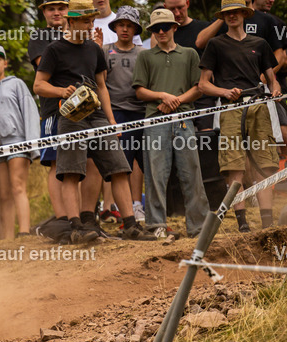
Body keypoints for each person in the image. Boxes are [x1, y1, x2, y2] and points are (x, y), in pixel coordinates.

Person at [34, 0, 150, 243]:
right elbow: (39, 85)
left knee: (119, 168)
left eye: (92, 20)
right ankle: (76, 227)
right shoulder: (54, 49)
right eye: (86, 21)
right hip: (70, 116)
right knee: (71, 172)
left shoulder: (94, 49)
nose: (91, 25)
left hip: (96, 114)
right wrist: (61, 92)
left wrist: (111, 121)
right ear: (72, 21)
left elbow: (101, 87)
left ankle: (131, 225)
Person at [199, 0, 282, 232]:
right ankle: (242, 223)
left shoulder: (260, 43)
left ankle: (268, 223)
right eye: (227, 13)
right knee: (234, 165)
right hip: (230, 108)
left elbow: (271, 78)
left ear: (244, 14)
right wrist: (224, 91)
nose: (232, 16)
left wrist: (275, 89)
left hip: (258, 104)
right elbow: (204, 85)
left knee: (265, 163)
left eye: (236, 12)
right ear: (223, 17)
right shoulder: (215, 44)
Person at [132, 8, 210, 237]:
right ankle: (156, 225)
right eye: (156, 28)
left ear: (175, 27)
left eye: (165, 27)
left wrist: (175, 101)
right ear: (152, 32)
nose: (161, 31)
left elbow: (199, 88)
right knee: (155, 174)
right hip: (155, 120)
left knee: (191, 172)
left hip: (184, 118)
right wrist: (162, 96)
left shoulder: (190, 54)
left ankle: (198, 226)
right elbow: (139, 90)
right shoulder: (145, 56)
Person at [0, 44, 39, 240]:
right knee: (2, 194)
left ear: (5, 63)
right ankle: (8, 239)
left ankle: (25, 232)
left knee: (17, 186)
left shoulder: (17, 84)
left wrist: (33, 145)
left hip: (17, 141)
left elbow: (29, 112)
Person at [29, 0, 72, 226]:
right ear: (44, 12)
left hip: (82, 110)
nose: (56, 12)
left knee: (78, 164)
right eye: (51, 8)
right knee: (56, 162)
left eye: (61, 8)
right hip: (52, 108)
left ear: (68, 10)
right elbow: (46, 65)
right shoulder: (39, 37)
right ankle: (61, 219)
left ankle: (80, 216)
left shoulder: (79, 33)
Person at [103, 6, 147, 224]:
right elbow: (99, 83)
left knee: (146, 164)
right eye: (121, 24)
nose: (125, 29)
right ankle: (124, 213)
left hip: (142, 113)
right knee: (121, 166)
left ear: (136, 29)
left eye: (130, 25)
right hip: (116, 113)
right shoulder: (104, 50)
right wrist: (109, 118)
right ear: (115, 27)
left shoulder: (143, 54)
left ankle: (140, 207)